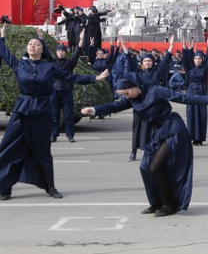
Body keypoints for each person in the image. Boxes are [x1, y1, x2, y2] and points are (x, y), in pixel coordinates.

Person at [82, 72, 208, 217]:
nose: (126, 96)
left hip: (173, 130)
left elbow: (184, 97)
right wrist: (93, 110)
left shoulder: (156, 91)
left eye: (127, 92)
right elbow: (113, 106)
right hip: (158, 133)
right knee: (145, 166)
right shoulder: (132, 99)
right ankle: (157, 202)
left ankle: (170, 204)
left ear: (135, 86)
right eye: (123, 94)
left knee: (155, 166)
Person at [0, 24, 108, 201]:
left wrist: (96, 78)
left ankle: (50, 187)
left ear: (43, 49)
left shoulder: (49, 67)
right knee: (9, 148)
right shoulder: (19, 65)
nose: (32, 45)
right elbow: (4, 53)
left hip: (41, 110)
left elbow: (72, 77)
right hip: (22, 110)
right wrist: (2, 38)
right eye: (30, 44)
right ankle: (5, 187)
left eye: (36, 44)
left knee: (42, 151)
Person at [127, 36, 175, 162]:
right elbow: (131, 63)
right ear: (142, 63)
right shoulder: (138, 74)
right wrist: (124, 49)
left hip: (153, 106)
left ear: (152, 62)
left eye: (149, 61)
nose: (147, 63)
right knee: (137, 128)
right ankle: (133, 151)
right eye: (145, 61)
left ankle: (151, 152)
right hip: (140, 105)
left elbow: (165, 62)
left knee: (152, 130)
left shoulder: (156, 73)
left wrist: (170, 47)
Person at [50, 31, 86, 143]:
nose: (60, 53)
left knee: (68, 115)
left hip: (67, 90)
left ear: (65, 53)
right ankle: (53, 135)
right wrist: (41, 38)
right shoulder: (52, 62)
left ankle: (70, 135)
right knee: (54, 115)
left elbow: (77, 52)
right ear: (56, 53)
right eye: (59, 51)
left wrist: (81, 39)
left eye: (62, 51)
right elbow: (44, 53)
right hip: (54, 91)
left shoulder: (70, 63)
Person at [182, 38, 208, 146]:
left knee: (201, 115)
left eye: (199, 59)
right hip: (191, 92)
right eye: (196, 58)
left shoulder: (205, 69)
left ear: (202, 59)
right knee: (191, 114)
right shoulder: (189, 69)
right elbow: (185, 59)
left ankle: (199, 138)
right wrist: (186, 48)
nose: (197, 60)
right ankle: (191, 137)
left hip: (201, 93)